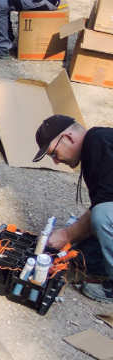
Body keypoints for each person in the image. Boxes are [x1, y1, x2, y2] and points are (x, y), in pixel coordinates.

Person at [32, 115, 113, 303]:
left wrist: (68, 234)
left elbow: (104, 211)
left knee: (103, 217)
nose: (56, 162)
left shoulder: (97, 141)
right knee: (92, 242)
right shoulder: (100, 143)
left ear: (68, 137)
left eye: (53, 153)